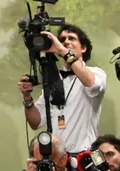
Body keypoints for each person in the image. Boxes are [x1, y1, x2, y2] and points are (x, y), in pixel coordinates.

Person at [19, 24, 104, 153]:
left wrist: (65, 52)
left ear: (84, 48)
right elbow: (35, 122)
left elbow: (92, 85)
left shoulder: (95, 73)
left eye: (72, 38)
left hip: (83, 156)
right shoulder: (55, 79)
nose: (66, 42)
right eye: (62, 40)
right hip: (57, 159)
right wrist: (27, 97)